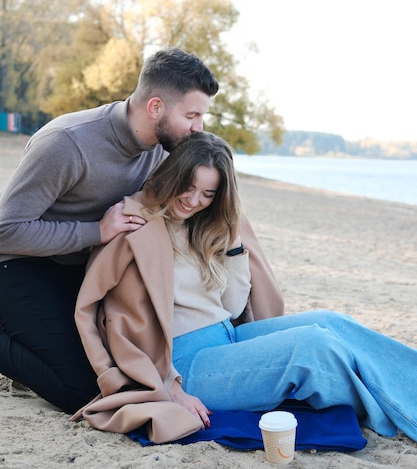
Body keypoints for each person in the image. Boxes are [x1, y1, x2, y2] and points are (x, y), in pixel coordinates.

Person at [74, 131, 417, 446]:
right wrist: (167, 387)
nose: (193, 201)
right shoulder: (135, 226)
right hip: (184, 364)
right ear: (173, 176)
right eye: (188, 187)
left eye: (208, 194)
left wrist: (233, 244)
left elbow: (233, 306)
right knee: (312, 347)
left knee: (332, 322)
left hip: (228, 339)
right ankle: (401, 410)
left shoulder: (200, 227)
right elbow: (100, 317)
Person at [0, 47, 219, 414]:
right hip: (19, 265)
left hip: (83, 271)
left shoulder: (164, 149)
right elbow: (6, 230)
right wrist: (96, 232)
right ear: (155, 108)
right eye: (192, 115)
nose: (199, 127)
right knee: (83, 392)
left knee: (116, 374)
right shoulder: (66, 143)